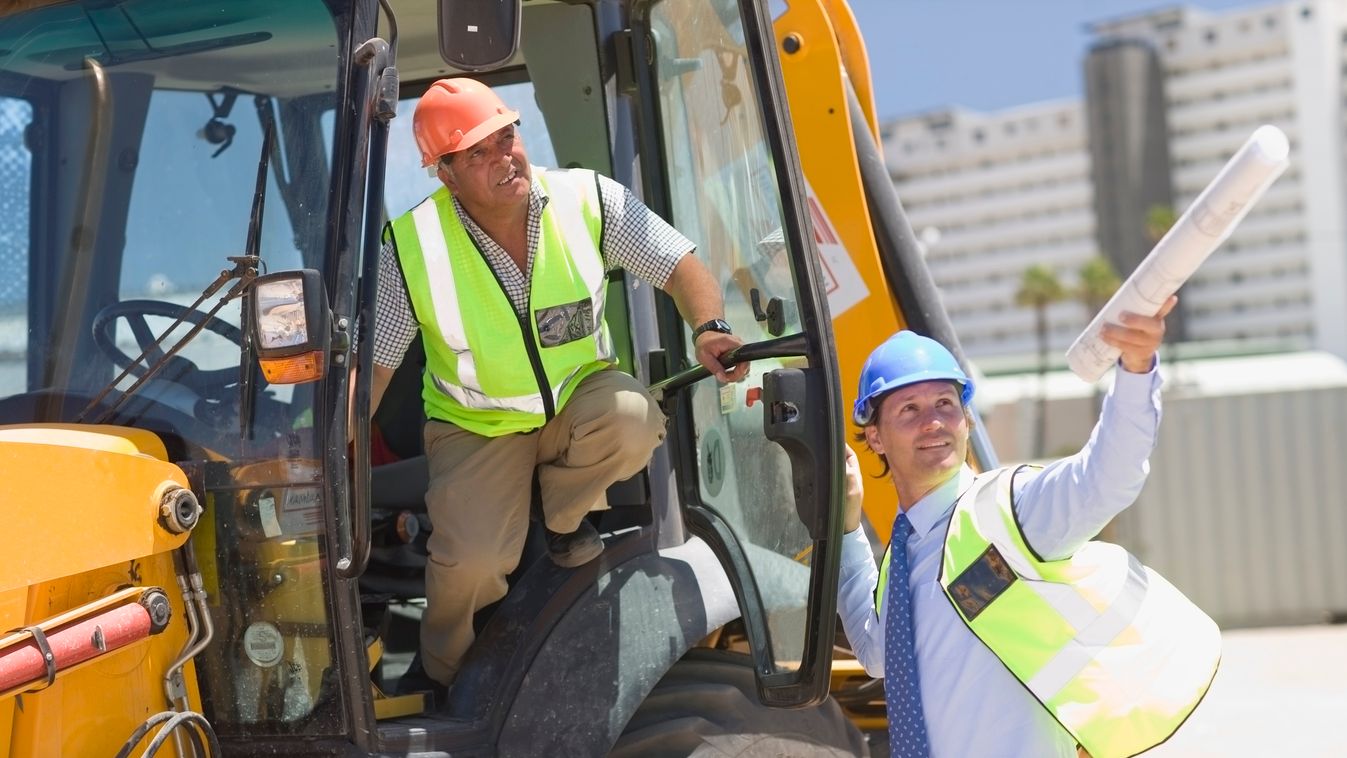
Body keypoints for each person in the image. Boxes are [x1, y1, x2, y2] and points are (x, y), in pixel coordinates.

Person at [371, 77, 747, 689]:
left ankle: (564, 518)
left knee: (634, 417)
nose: (503, 158)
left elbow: (679, 263)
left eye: (506, 137)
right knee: (471, 564)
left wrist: (710, 327)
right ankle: (440, 675)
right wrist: (333, 456)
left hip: (578, 401)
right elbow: (378, 369)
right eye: (477, 153)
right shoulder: (412, 247)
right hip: (477, 426)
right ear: (446, 174)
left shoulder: (587, 200)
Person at [838, 297, 1220, 758]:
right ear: (875, 436)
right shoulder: (904, 557)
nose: (934, 422)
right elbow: (877, 652)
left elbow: (1104, 479)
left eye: (945, 403)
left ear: (968, 418)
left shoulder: (1006, 509)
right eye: (909, 410)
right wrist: (846, 530)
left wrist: (1137, 372)